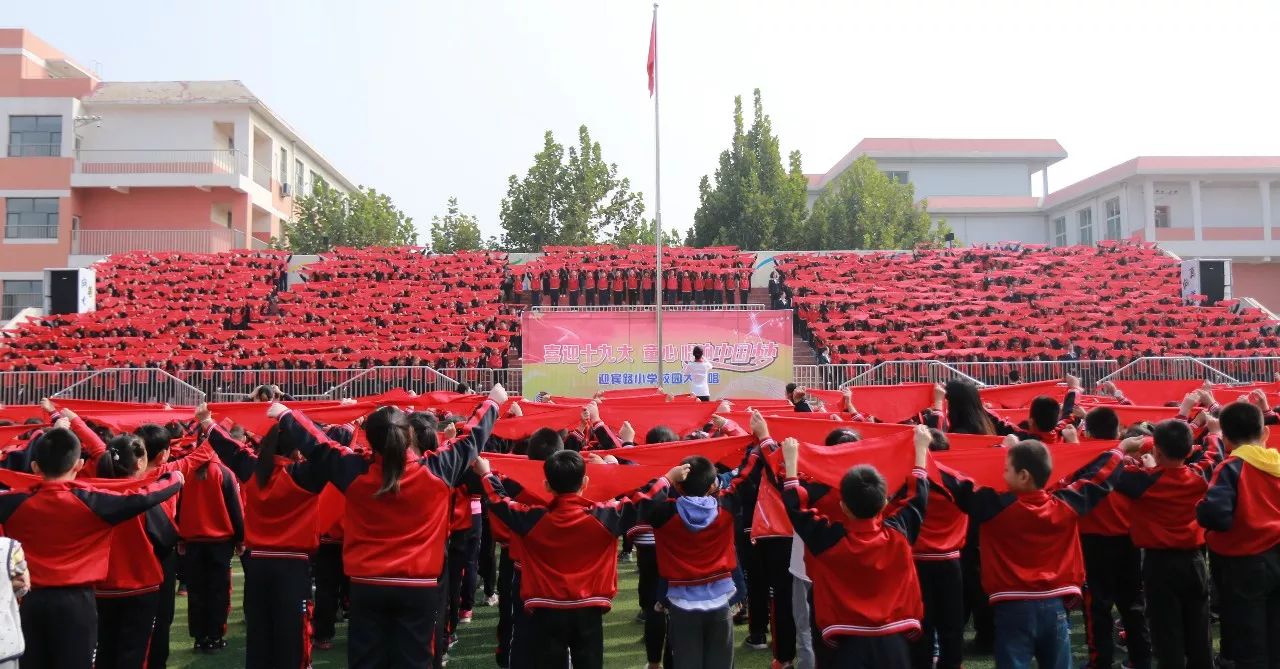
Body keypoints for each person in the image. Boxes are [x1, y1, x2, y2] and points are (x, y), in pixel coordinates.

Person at [272, 384, 503, 667]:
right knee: (416, 660)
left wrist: (287, 416)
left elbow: (318, 445)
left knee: (367, 660)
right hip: (419, 584)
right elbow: (472, 439)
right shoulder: (436, 468)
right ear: (409, 435)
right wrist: (492, 403)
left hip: (368, 583)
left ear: (370, 439)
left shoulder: (355, 470)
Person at [475, 449, 677, 669]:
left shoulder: (532, 518)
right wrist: (668, 478)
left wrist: (486, 474)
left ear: (546, 486)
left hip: (546, 609)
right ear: (585, 482)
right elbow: (644, 500)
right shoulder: (605, 516)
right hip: (588, 609)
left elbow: (498, 500)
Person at [0, 426, 184, 668]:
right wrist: (175, 477)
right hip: (78, 603)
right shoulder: (92, 502)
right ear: (77, 465)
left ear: (35, 467)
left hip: (31, 602)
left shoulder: (12, 503)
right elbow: (143, 497)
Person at [939, 439, 1132, 669]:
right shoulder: (1065, 506)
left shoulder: (993, 507)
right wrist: (1120, 449)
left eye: (1005, 469)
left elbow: (955, 482)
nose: (1001, 474)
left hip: (1011, 607)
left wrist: (923, 457)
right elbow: (1097, 479)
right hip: (1055, 607)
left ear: (1023, 476)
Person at [778, 425, 932, 668]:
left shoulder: (829, 539)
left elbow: (797, 509)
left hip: (843, 643)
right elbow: (918, 497)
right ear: (884, 502)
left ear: (844, 507)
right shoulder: (899, 533)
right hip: (893, 640)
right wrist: (920, 450)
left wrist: (791, 465)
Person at [199, 403, 329, 669]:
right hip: (292, 566)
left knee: (260, 634)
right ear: (297, 450)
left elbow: (230, 449)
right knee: (292, 637)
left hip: (258, 565)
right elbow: (328, 450)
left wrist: (207, 423)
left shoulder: (253, 469)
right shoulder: (304, 475)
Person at [1113, 418, 1222, 669]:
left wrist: (1121, 448)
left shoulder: (1141, 481)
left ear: (1157, 452)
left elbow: (1106, 469)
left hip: (1158, 565)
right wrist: (1213, 433)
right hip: (1195, 561)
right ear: (1188, 451)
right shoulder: (1199, 476)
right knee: (1199, 631)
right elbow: (1214, 456)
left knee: (1166, 635)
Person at [1197, 401, 1280, 669]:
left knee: (1248, 636)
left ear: (1226, 438)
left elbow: (1215, 515)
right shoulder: (1275, 462)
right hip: (1275, 555)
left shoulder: (1232, 467)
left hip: (1244, 563)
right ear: (1265, 433)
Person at [1076, 406, 1152, 669]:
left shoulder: (1084, 462)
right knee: (1132, 606)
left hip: (1095, 543)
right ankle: (1140, 660)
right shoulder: (1131, 463)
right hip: (1127, 542)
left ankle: (1101, 662)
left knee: (1098, 607)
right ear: (1118, 430)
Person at [177, 438, 244, 654]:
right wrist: (241, 539)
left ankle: (199, 637)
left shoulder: (186, 473)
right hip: (220, 542)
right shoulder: (224, 473)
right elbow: (236, 509)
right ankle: (215, 636)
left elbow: (177, 507)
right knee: (218, 591)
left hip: (193, 541)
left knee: (197, 591)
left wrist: (180, 537)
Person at [909, 429, 967, 669]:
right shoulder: (961, 481)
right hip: (950, 561)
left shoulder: (911, 482)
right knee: (951, 625)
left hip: (918, 561)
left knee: (922, 623)